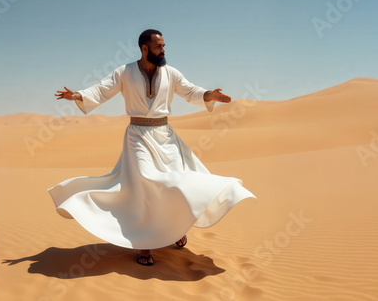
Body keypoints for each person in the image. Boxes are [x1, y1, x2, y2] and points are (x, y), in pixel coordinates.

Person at [49, 29, 256, 266]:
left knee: (175, 182)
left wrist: (209, 95)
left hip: (166, 137)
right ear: (144, 48)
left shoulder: (171, 73)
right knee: (145, 183)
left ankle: (174, 230)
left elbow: (191, 91)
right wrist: (78, 95)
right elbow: (101, 90)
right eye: (159, 47)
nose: (163, 50)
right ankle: (144, 245)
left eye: (164, 46)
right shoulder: (124, 72)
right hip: (137, 135)